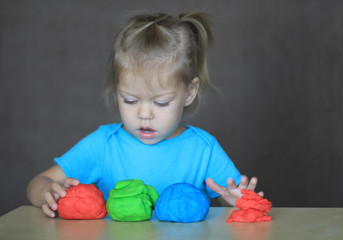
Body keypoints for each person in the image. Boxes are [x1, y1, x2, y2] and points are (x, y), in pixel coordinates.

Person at [27, 11, 264, 218]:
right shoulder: (103, 145)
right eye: (130, 100)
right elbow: (38, 183)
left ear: (189, 93)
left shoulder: (204, 150)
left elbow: (229, 202)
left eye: (161, 103)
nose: (144, 114)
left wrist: (235, 200)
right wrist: (47, 192)